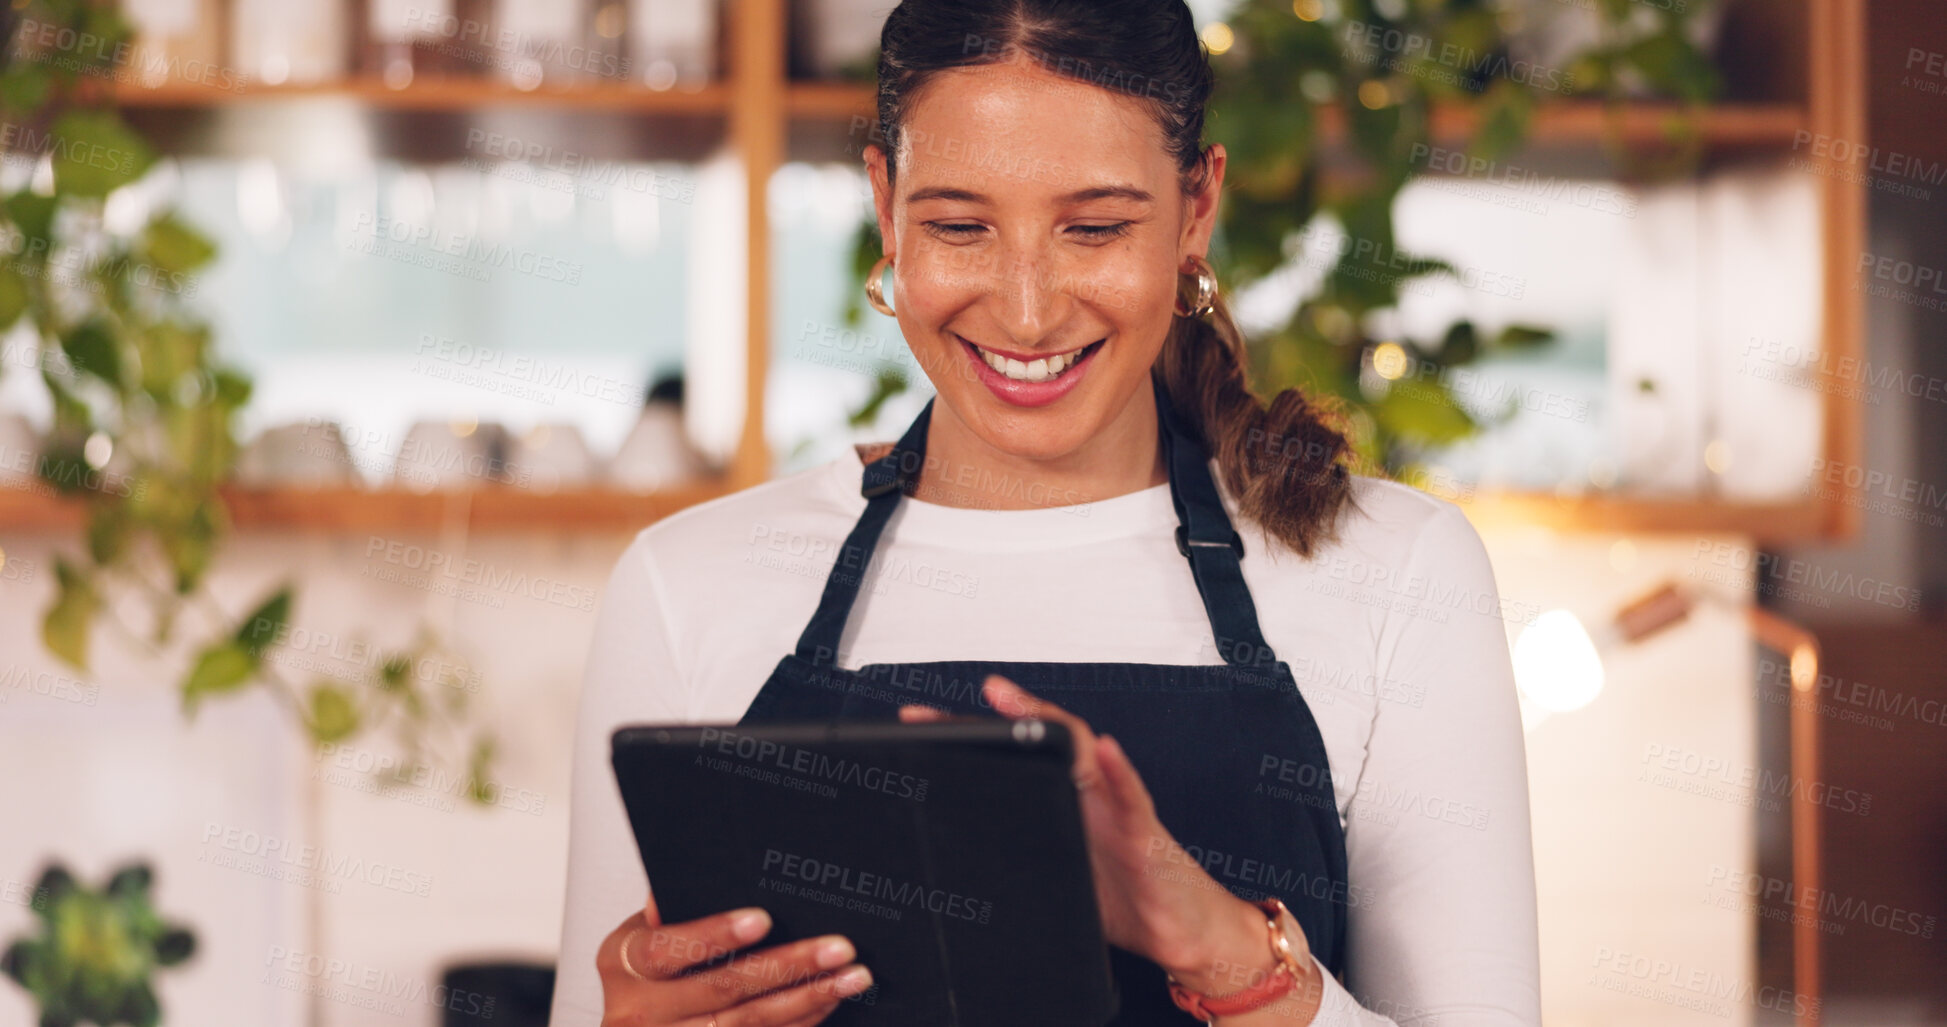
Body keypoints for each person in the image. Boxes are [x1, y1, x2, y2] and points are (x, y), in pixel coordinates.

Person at [550, 0, 1540, 1023]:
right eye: (959, 226)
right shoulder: (687, 584)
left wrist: (1227, 950)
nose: (1027, 311)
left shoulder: (1397, 574)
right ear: (885, 205)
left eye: (1097, 226)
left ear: (1197, 206)